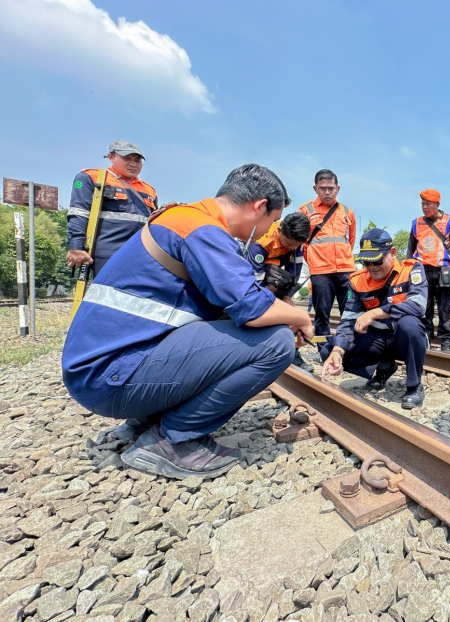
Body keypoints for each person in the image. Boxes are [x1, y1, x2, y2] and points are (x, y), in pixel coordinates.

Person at [62, 164, 313, 479]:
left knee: (247, 327)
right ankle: (172, 441)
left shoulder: (186, 219)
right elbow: (251, 309)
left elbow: (230, 306)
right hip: (111, 378)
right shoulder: (202, 229)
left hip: (101, 371)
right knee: (277, 343)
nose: (267, 231)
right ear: (259, 207)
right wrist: (300, 315)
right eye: (271, 221)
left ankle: (146, 421)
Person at [320, 228, 429, 409]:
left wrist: (374, 312)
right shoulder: (356, 281)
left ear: (392, 253)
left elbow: (417, 306)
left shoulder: (412, 270)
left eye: (377, 261)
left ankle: (414, 386)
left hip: (403, 339)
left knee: (409, 324)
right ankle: (384, 366)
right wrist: (337, 352)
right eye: (366, 262)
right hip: (377, 340)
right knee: (328, 350)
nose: (372, 267)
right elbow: (348, 321)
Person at [66, 140, 158, 275]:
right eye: (126, 158)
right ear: (111, 157)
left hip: (141, 254)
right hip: (107, 254)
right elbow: (79, 213)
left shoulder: (149, 190)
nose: (133, 164)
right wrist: (76, 247)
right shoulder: (90, 178)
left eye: (137, 161)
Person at [247, 211, 314, 371]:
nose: (292, 248)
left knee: (290, 311)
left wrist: (286, 297)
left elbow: (294, 273)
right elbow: (253, 284)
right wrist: (272, 302)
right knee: (267, 313)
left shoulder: (297, 243)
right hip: (258, 281)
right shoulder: (261, 243)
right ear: (279, 231)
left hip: (278, 279)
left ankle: (292, 353)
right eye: (288, 244)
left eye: (295, 246)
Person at [298, 170, 357, 341]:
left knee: (349, 310)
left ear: (337, 188)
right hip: (320, 271)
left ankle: (348, 345)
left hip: (345, 270)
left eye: (331, 188)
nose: (327, 192)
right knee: (322, 311)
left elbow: (350, 240)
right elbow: (301, 241)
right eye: (323, 188)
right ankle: (323, 349)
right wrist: (313, 262)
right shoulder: (306, 210)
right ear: (315, 188)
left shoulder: (347, 212)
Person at [407, 189, 450, 352]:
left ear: (437, 204)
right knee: (424, 307)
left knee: (445, 307)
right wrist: (407, 272)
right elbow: (410, 250)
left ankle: (446, 340)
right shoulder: (415, 223)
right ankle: (426, 337)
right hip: (422, 271)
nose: (424, 207)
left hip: (444, 271)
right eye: (422, 204)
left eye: (428, 204)